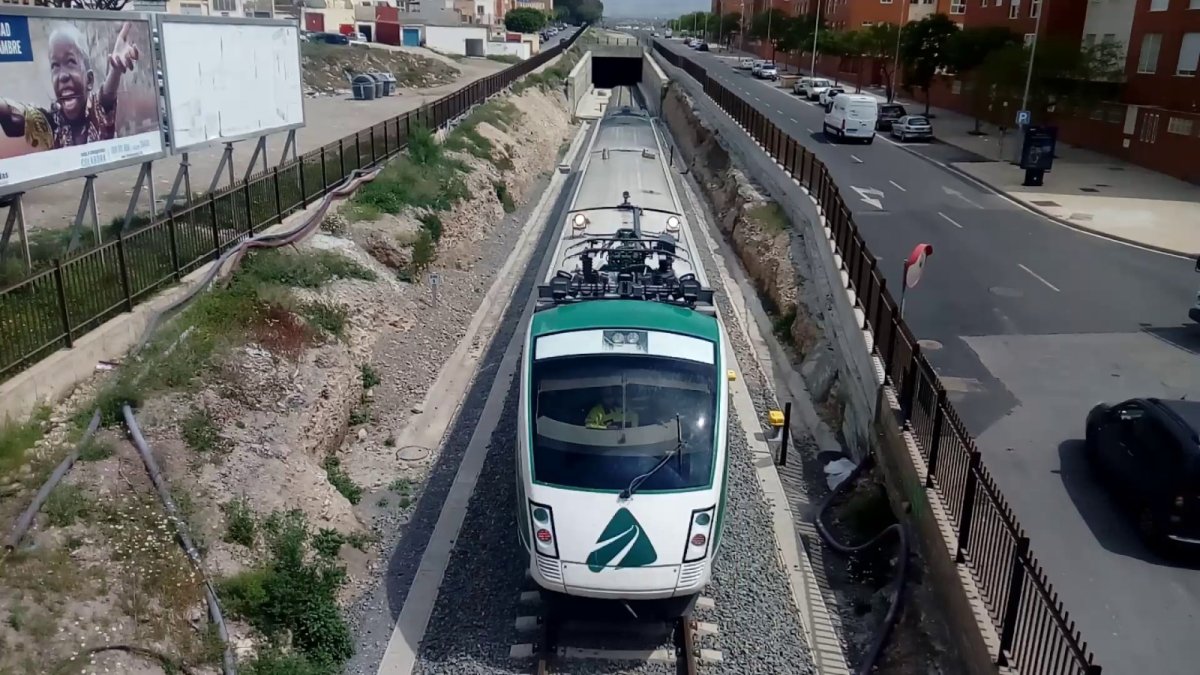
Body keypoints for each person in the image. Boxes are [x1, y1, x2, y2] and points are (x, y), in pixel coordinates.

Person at [0, 21, 140, 152]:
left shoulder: (97, 110)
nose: (62, 76)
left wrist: (115, 70)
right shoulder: (51, 122)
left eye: (71, 62)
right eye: (55, 65)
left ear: (89, 80)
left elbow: (107, 95)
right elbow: (13, 117)